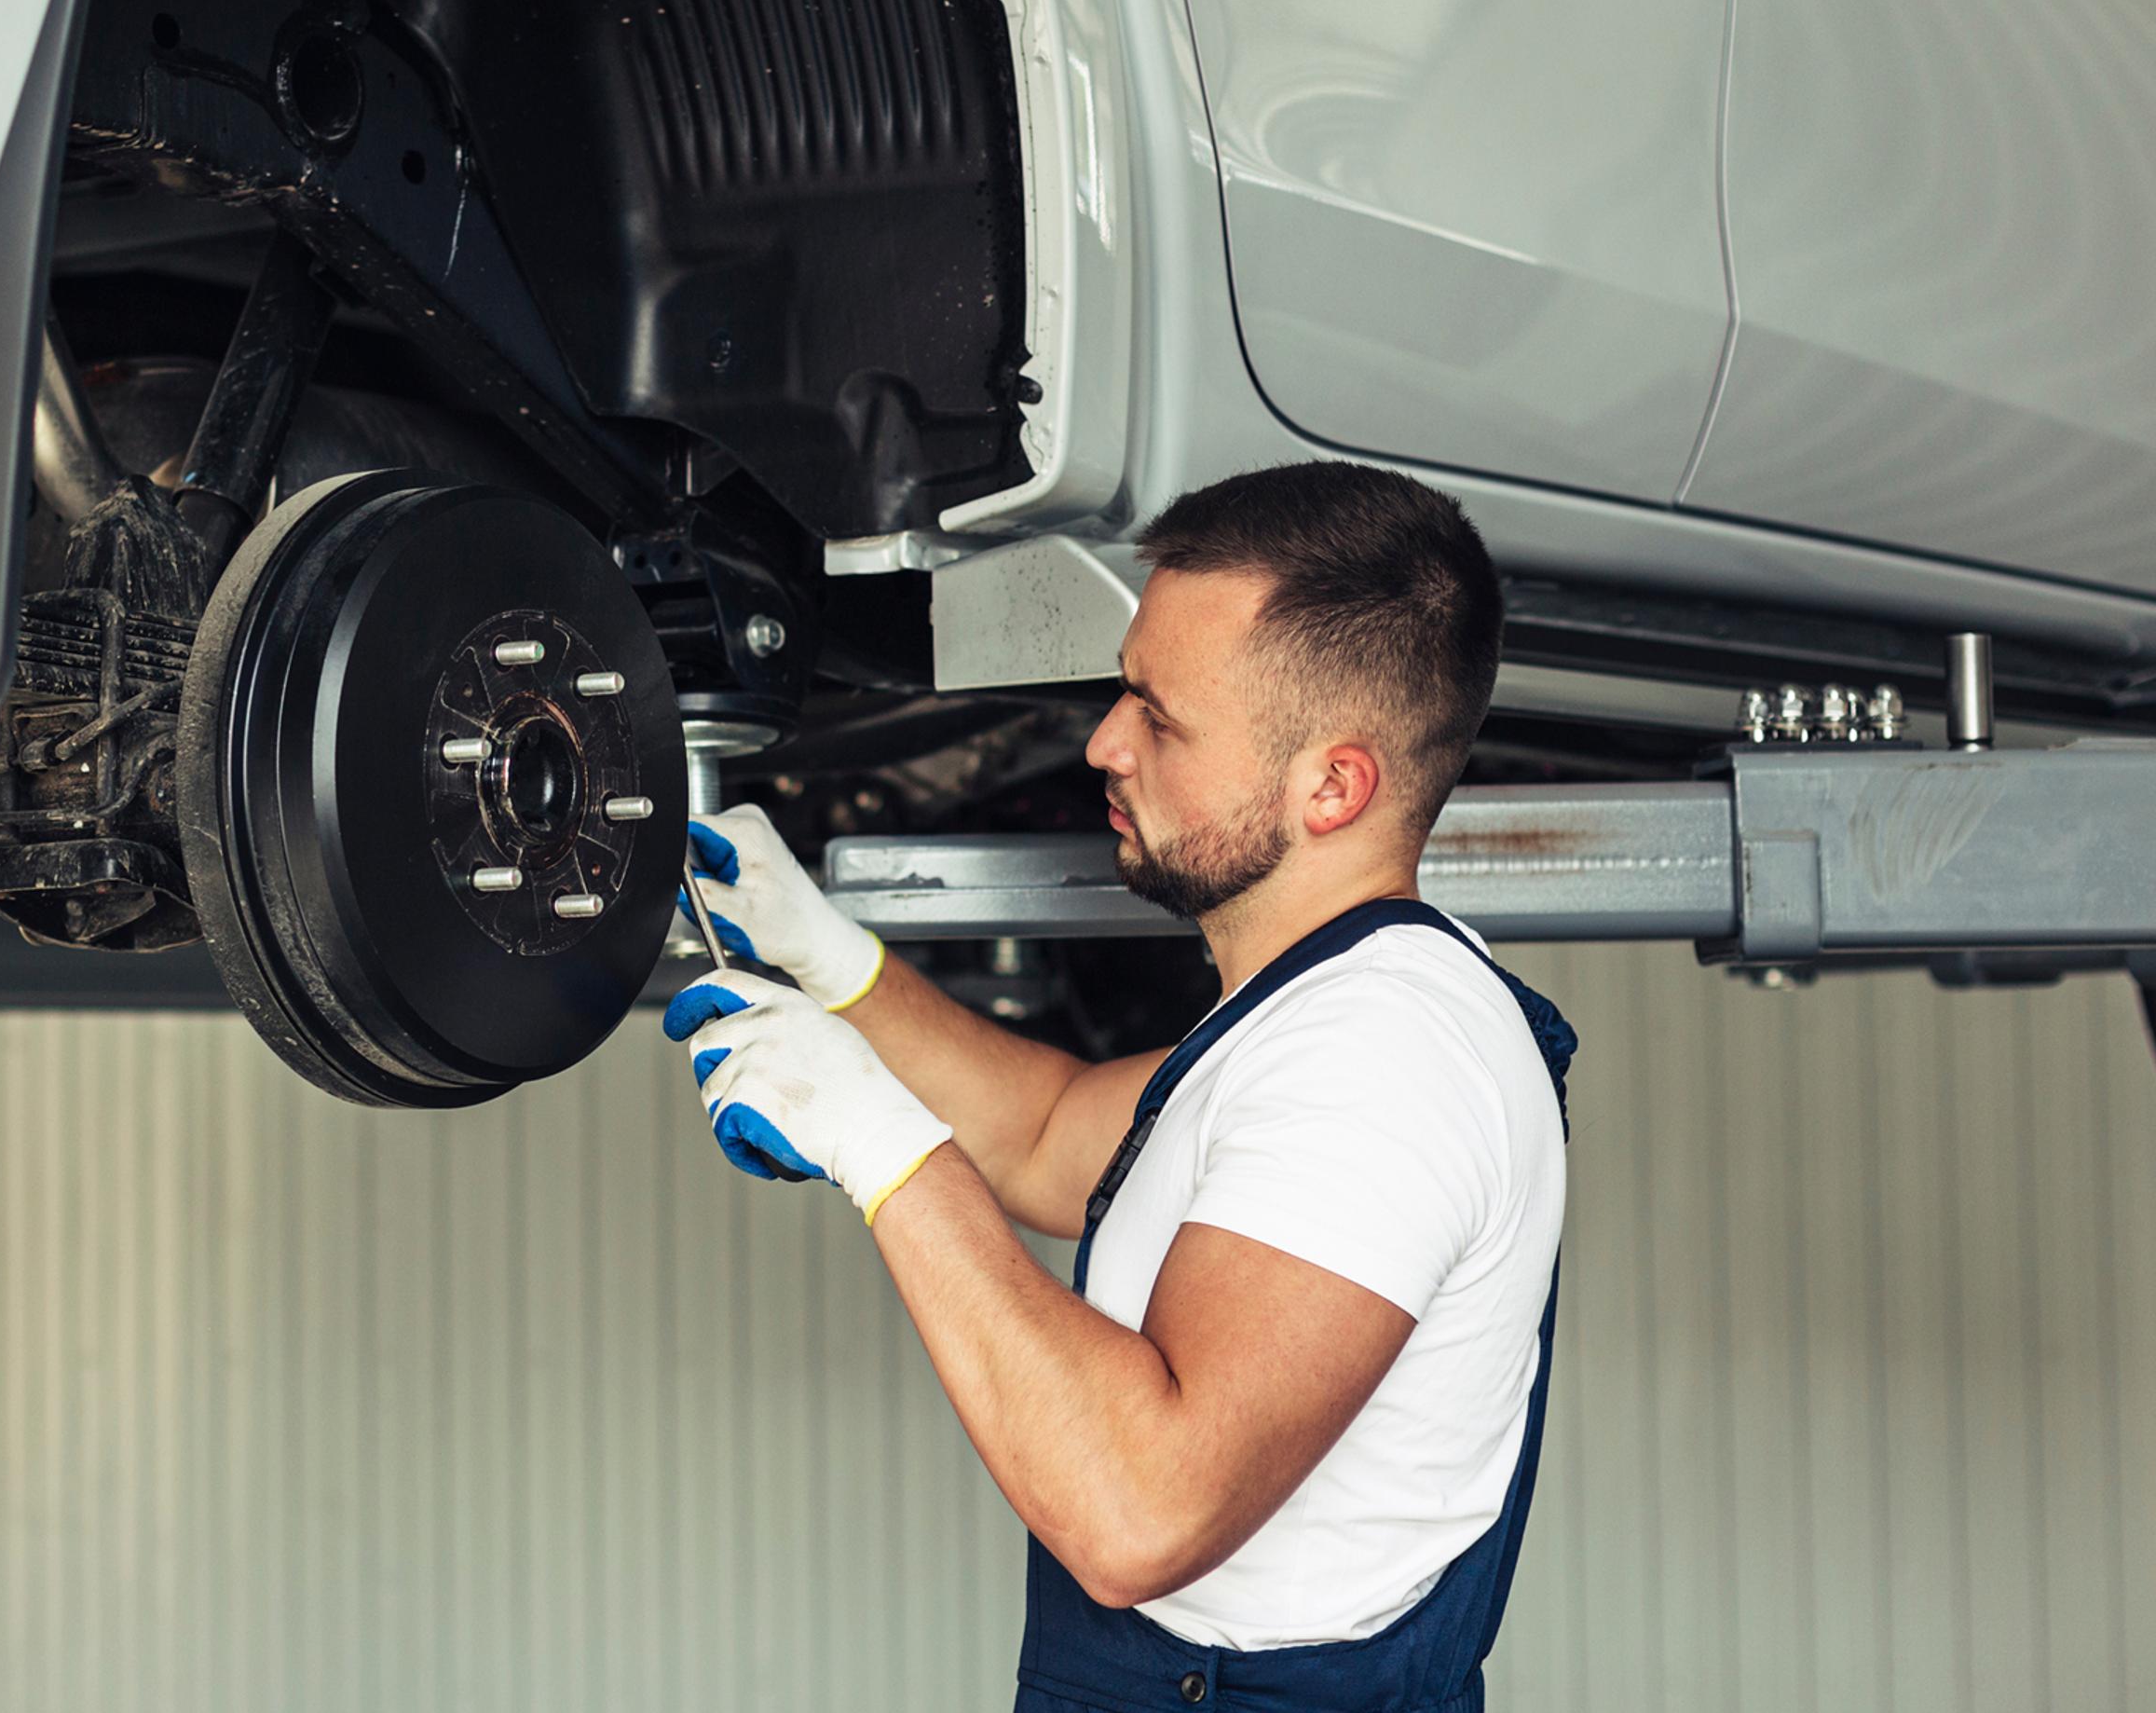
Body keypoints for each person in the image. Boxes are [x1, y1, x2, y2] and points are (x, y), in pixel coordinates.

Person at [666, 459, 1573, 1712]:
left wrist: (881, 1148)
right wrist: (834, 962)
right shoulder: (1317, 1016)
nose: (1104, 740)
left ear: (1334, 786)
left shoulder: (1386, 1061)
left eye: (1161, 715)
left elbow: (1138, 1511)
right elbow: (1047, 1139)